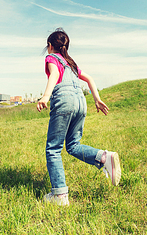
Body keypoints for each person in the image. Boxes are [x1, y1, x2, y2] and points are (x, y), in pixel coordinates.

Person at [37, 28, 121, 206]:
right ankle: (104, 157)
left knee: (53, 149)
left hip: (64, 101)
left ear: (50, 46)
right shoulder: (71, 63)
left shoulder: (51, 58)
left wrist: (45, 96)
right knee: (73, 145)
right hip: (81, 102)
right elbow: (89, 78)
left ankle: (59, 196)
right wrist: (97, 100)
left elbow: (54, 74)